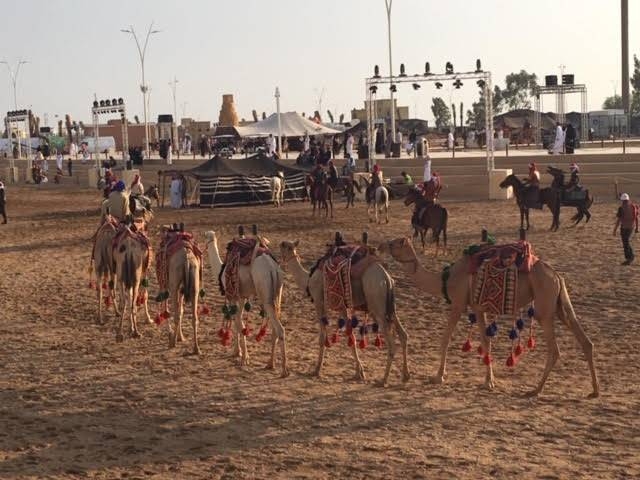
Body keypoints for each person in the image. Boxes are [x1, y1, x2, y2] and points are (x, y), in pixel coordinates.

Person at [613, 193, 639, 265]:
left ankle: (630, 257)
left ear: (622, 200)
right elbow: (636, 218)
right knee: (626, 242)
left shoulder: (621, 208)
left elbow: (619, 220)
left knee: (625, 243)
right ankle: (629, 257)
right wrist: (637, 228)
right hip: (631, 227)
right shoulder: (634, 206)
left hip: (624, 227)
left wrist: (614, 230)